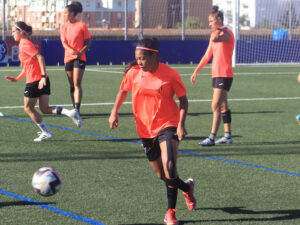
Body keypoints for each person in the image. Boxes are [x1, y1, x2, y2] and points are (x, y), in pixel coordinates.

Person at [109, 38, 196, 225]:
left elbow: (183, 100)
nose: (139, 62)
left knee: (170, 165)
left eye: (142, 58)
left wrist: (180, 124)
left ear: (154, 56)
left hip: (168, 124)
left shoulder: (170, 75)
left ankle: (170, 213)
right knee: (162, 175)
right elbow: (122, 91)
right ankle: (187, 187)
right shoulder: (133, 73)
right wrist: (114, 112)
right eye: (137, 58)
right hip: (145, 129)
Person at [5, 21, 78, 142]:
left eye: (13, 31)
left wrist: (42, 76)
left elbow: (40, 57)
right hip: (41, 80)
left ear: (21, 32)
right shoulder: (24, 43)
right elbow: (28, 66)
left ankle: (46, 132)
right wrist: (17, 78)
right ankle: (68, 112)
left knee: (28, 108)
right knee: (44, 109)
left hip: (35, 81)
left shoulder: (24, 44)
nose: (12, 33)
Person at [191, 6, 235, 146]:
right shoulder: (215, 34)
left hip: (225, 74)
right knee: (223, 106)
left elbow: (217, 37)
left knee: (214, 105)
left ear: (219, 20)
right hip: (216, 75)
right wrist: (196, 70)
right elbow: (207, 55)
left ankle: (211, 138)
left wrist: (219, 30)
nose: (209, 24)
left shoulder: (227, 33)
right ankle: (227, 136)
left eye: (211, 21)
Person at [60, 1, 91, 128]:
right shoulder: (63, 27)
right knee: (71, 84)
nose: (64, 15)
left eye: (66, 13)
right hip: (68, 58)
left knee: (77, 83)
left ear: (72, 13)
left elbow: (88, 41)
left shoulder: (82, 25)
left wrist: (81, 51)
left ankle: (77, 109)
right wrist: (70, 49)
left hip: (80, 58)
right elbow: (63, 42)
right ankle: (74, 109)